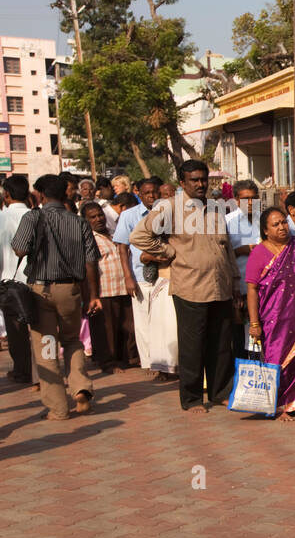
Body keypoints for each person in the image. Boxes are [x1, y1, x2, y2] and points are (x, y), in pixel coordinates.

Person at [131, 160, 239, 413]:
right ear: (182, 182)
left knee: (221, 345)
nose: (201, 184)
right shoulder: (169, 209)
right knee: (192, 347)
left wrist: (235, 281)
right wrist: (168, 251)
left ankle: (220, 392)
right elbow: (139, 236)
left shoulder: (215, 208)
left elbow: (227, 247)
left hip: (220, 286)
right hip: (190, 287)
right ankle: (191, 399)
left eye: (204, 179)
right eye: (194, 180)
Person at [11, 174, 102, 418]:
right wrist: (93, 294)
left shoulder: (33, 217)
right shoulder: (79, 221)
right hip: (70, 289)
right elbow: (91, 261)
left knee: (47, 346)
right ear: (65, 193)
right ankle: (81, 388)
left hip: (41, 290)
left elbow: (19, 248)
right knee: (72, 340)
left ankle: (58, 408)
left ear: (40, 194)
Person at [246, 208, 295, 420]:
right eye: (275, 224)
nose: (282, 227)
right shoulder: (259, 252)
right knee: (276, 360)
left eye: (284, 222)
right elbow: (252, 289)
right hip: (273, 319)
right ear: (266, 231)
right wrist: (254, 323)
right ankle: (275, 406)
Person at [114, 178, 177, 381]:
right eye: (147, 193)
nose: (152, 197)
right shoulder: (129, 215)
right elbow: (122, 248)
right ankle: (150, 362)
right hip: (140, 274)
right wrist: (128, 277)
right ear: (138, 193)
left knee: (164, 322)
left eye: (155, 193)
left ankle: (167, 362)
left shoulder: (169, 213)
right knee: (143, 321)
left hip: (165, 274)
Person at [82, 201, 137, 374]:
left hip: (123, 287)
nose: (98, 219)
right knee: (106, 330)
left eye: (100, 215)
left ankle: (127, 359)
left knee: (127, 327)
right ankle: (108, 362)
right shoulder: (87, 238)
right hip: (103, 290)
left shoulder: (113, 234)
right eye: (93, 217)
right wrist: (92, 294)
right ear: (85, 220)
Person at [0, 175, 34, 385]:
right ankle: (40, 369)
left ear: (8, 195)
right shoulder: (37, 216)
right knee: (38, 327)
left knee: (16, 329)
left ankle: (22, 370)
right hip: (36, 279)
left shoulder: (2, 218)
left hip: (9, 281)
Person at [224, 180, 262, 359]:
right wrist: (245, 249)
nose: (250, 203)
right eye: (245, 198)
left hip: (264, 287)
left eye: (254, 198)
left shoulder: (265, 220)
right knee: (240, 340)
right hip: (239, 288)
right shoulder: (227, 222)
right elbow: (223, 254)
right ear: (236, 200)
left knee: (260, 338)